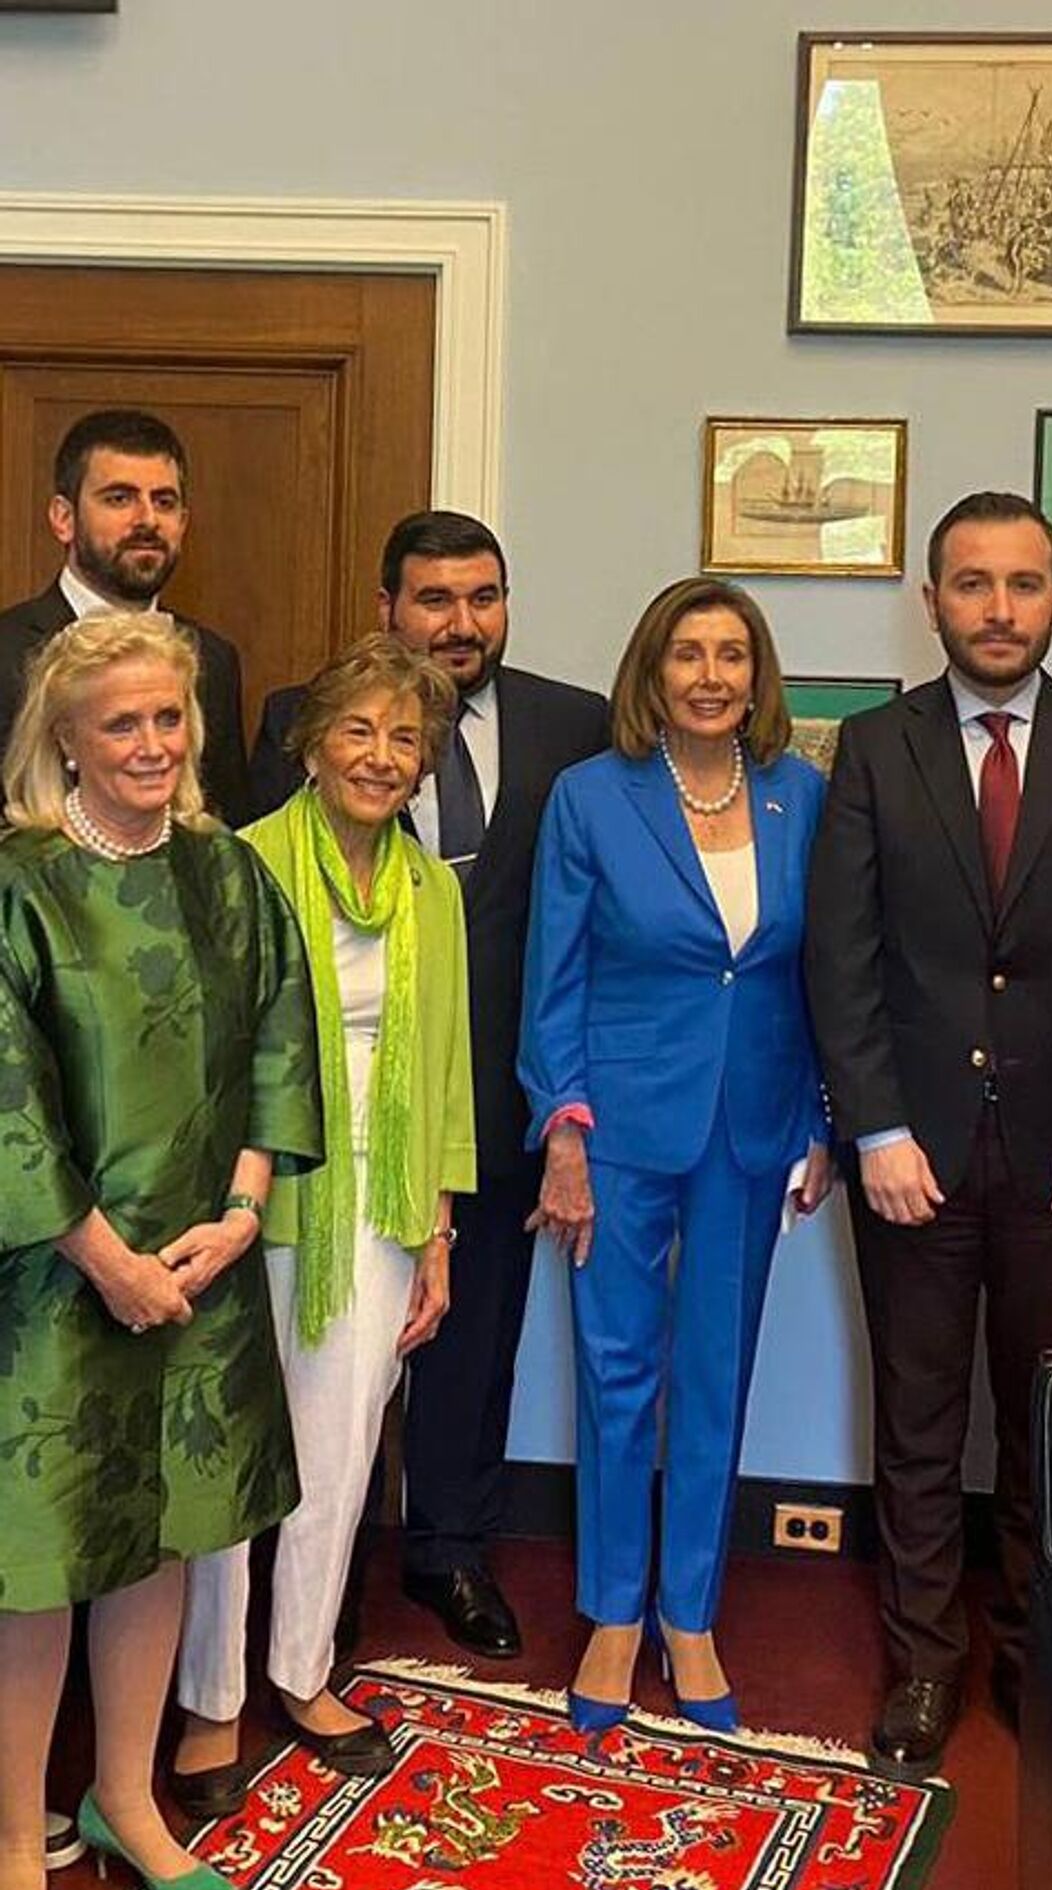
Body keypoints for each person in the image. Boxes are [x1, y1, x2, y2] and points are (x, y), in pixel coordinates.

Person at [806, 493, 1052, 1777]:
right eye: (973, 583)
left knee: (1042, 1421)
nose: (1000, 609)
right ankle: (924, 1664)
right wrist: (875, 1126)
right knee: (917, 1422)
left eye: (1024, 584)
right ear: (933, 602)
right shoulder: (875, 749)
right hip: (911, 1156)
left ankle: (1031, 1655)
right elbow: (841, 958)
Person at [0, 612, 320, 1890]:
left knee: (165, 1530)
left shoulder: (228, 872)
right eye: (120, 722)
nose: (151, 743)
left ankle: (124, 1798)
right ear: (66, 740)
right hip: (53, 1276)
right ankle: (14, 1836)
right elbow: (7, 1101)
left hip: (199, 1266)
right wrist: (102, 1257)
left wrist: (244, 1209)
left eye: (168, 717)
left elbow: (281, 1041)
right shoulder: (18, 883)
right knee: (38, 1557)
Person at [253, 512, 607, 1659]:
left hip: (492, 1094)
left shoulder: (575, 725)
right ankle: (312, 1580)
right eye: (436, 598)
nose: (463, 621)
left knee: (472, 1342)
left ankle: (449, 1551)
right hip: (325, 1118)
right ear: (388, 607)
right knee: (311, 1366)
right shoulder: (301, 721)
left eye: (483, 597)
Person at [520, 576, 831, 1734]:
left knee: (715, 1371)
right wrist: (563, 1130)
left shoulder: (803, 795)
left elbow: (825, 973)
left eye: (731, 655)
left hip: (753, 1126)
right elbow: (553, 977)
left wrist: (821, 1121)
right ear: (652, 672)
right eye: (687, 654)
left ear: (757, 676)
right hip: (618, 1128)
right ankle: (613, 1610)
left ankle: (689, 1612)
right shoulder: (592, 797)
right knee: (616, 1372)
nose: (710, 676)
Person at [172, 636, 474, 1810]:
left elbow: (445, 1068)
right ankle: (209, 1699)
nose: (381, 756)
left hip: (382, 1201)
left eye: (405, 738)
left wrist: (438, 1232)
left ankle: (300, 1674)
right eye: (359, 730)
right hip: (252, 1188)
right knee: (232, 1452)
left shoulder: (435, 891)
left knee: (341, 1449)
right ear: (310, 745)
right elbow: (202, 1052)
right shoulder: (240, 865)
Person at [0, 410, 252, 824]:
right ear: (63, 519)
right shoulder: (6, 649)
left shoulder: (214, 658)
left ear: (183, 522)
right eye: (119, 498)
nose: (148, 520)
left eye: (164, 502)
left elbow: (227, 824)